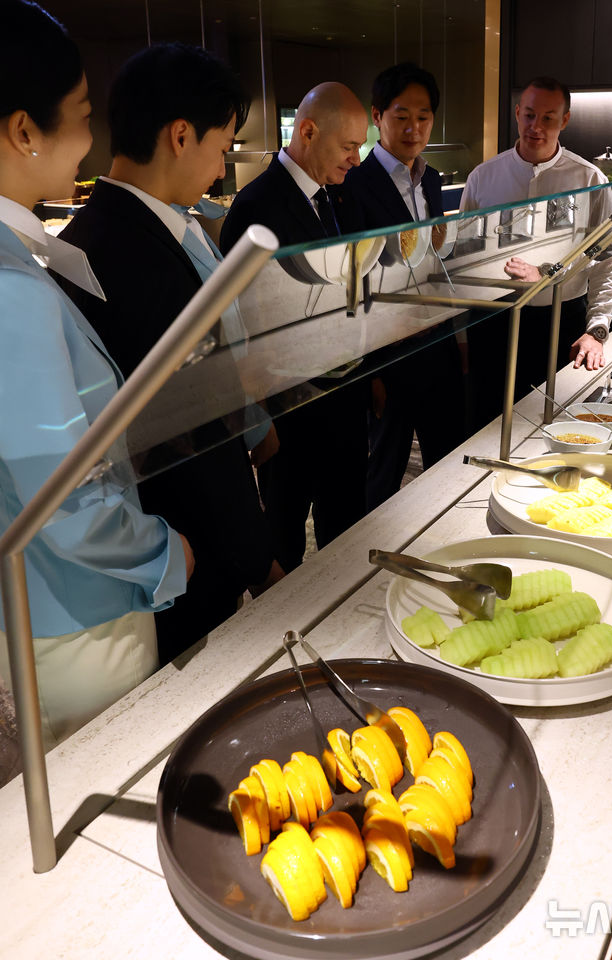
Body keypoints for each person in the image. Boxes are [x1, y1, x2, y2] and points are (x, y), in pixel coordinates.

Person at [0, 0, 192, 751]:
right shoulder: (11, 288)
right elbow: (64, 500)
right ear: (23, 131)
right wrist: (164, 553)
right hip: (82, 624)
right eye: (81, 113)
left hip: (47, 613)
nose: (90, 136)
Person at [57, 43, 284, 665]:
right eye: (221, 147)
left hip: (155, 537)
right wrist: (257, 559)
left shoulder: (94, 232)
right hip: (183, 543)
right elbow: (196, 435)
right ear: (181, 135)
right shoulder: (142, 257)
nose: (220, 168)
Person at [220, 82, 370, 571]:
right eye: (348, 146)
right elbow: (242, 327)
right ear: (308, 131)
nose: (356, 159)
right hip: (291, 412)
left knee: (346, 531)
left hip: (343, 395)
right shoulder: (255, 207)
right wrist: (257, 419)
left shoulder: (331, 196)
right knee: (283, 538)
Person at [340, 62, 465, 510]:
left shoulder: (430, 178)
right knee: (382, 472)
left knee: (447, 458)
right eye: (401, 116)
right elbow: (352, 284)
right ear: (377, 117)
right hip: (387, 353)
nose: (414, 128)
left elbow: (433, 260)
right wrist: (369, 368)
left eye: (424, 116)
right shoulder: (354, 185)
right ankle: (368, 570)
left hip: (436, 341)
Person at [460, 76, 612, 423]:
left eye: (548, 118)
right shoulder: (482, 178)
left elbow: (606, 261)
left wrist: (597, 330)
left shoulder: (590, 179)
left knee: (556, 425)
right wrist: (460, 334)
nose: (536, 126)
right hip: (492, 322)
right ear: (517, 113)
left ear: (564, 120)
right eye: (529, 115)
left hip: (561, 322)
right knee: (485, 425)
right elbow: (464, 260)